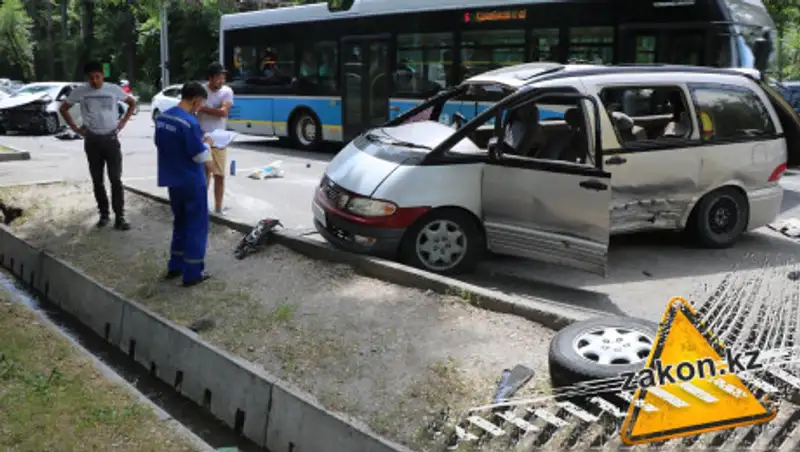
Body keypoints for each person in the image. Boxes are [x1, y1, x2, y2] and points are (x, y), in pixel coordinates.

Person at [60, 61, 137, 230]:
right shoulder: (80, 91)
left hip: (111, 139)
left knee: (116, 179)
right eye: (91, 78)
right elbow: (64, 108)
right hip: (92, 140)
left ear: (103, 75)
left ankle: (120, 216)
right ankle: (104, 214)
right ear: (87, 78)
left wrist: (123, 122)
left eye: (98, 77)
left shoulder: (113, 89)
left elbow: (132, 103)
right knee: (98, 180)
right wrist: (76, 128)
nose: (95, 81)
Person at [154, 82, 214, 287]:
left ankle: (175, 265)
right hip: (191, 180)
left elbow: (159, 143)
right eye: (201, 103)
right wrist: (207, 144)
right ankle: (193, 272)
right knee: (197, 225)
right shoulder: (190, 123)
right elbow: (198, 155)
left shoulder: (162, 118)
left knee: (180, 222)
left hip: (172, 179)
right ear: (196, 100)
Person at [197, 63, 234, 215]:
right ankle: (201, 207)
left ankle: (218, 208)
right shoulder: (201, 91)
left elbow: (223, 112)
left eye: (223, 77)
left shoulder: (227, 92)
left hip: (219, 138)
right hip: (202, 136)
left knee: (219, 174)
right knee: (204, 172)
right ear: (210, 78)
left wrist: (203, 109)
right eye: (219, 77)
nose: (221, 80)